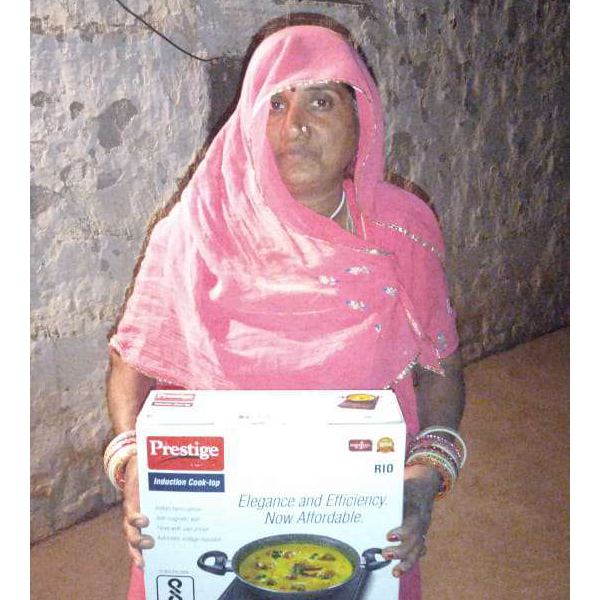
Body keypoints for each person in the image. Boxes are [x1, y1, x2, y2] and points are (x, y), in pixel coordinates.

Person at [105, 20, 466, 600]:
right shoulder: (194, 232)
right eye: (274, 102)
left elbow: (441, 374)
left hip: (361, 535)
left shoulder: (402, 234)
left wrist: (424, 479)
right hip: (206, 524)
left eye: (319, 101)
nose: (293, 125)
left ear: (362, 118)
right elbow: (132, 365)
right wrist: (134, 470)